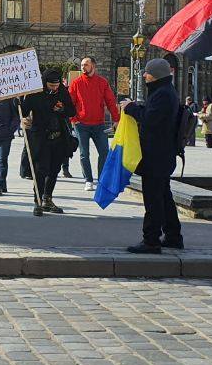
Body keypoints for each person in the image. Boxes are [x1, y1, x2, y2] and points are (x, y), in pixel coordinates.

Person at [123, 58, 183, 254]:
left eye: (147, 72)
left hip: (156, 155)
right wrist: (136, 106)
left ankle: (151, 240)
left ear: (156, 74)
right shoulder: (164, 92)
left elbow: (149, 120)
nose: (144, 75)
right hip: (162, 154)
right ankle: (173, 236)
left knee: (153, 199)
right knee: (164, 197)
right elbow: (151, 112)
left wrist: (131, 109)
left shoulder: (162, 94)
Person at [21, 69, 77, 215]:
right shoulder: (35, 93)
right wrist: (19, 103)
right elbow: (24, 110)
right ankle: (37, 201)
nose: (54, 88)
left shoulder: (62, 91)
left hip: (59, 137)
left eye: (56, 85)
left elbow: (71, 111)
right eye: (51, 86)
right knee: (40, 170)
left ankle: (48, 198)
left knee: (54, 170)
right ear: (45, 83)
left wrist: (62, 108)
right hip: (41, 137)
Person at [67, 56, 119, 192]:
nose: (83, 67)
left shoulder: (102, 82)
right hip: (81, 124)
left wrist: (116, 119)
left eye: (86, 65)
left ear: (93, 66)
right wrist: (73, 119)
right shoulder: (76, 83)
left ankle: (101, 180)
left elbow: (110, 101)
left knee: (104, 152)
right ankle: (88, 180)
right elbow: (69, 103)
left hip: (98, 124)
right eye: (82, 65)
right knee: (84, 153)